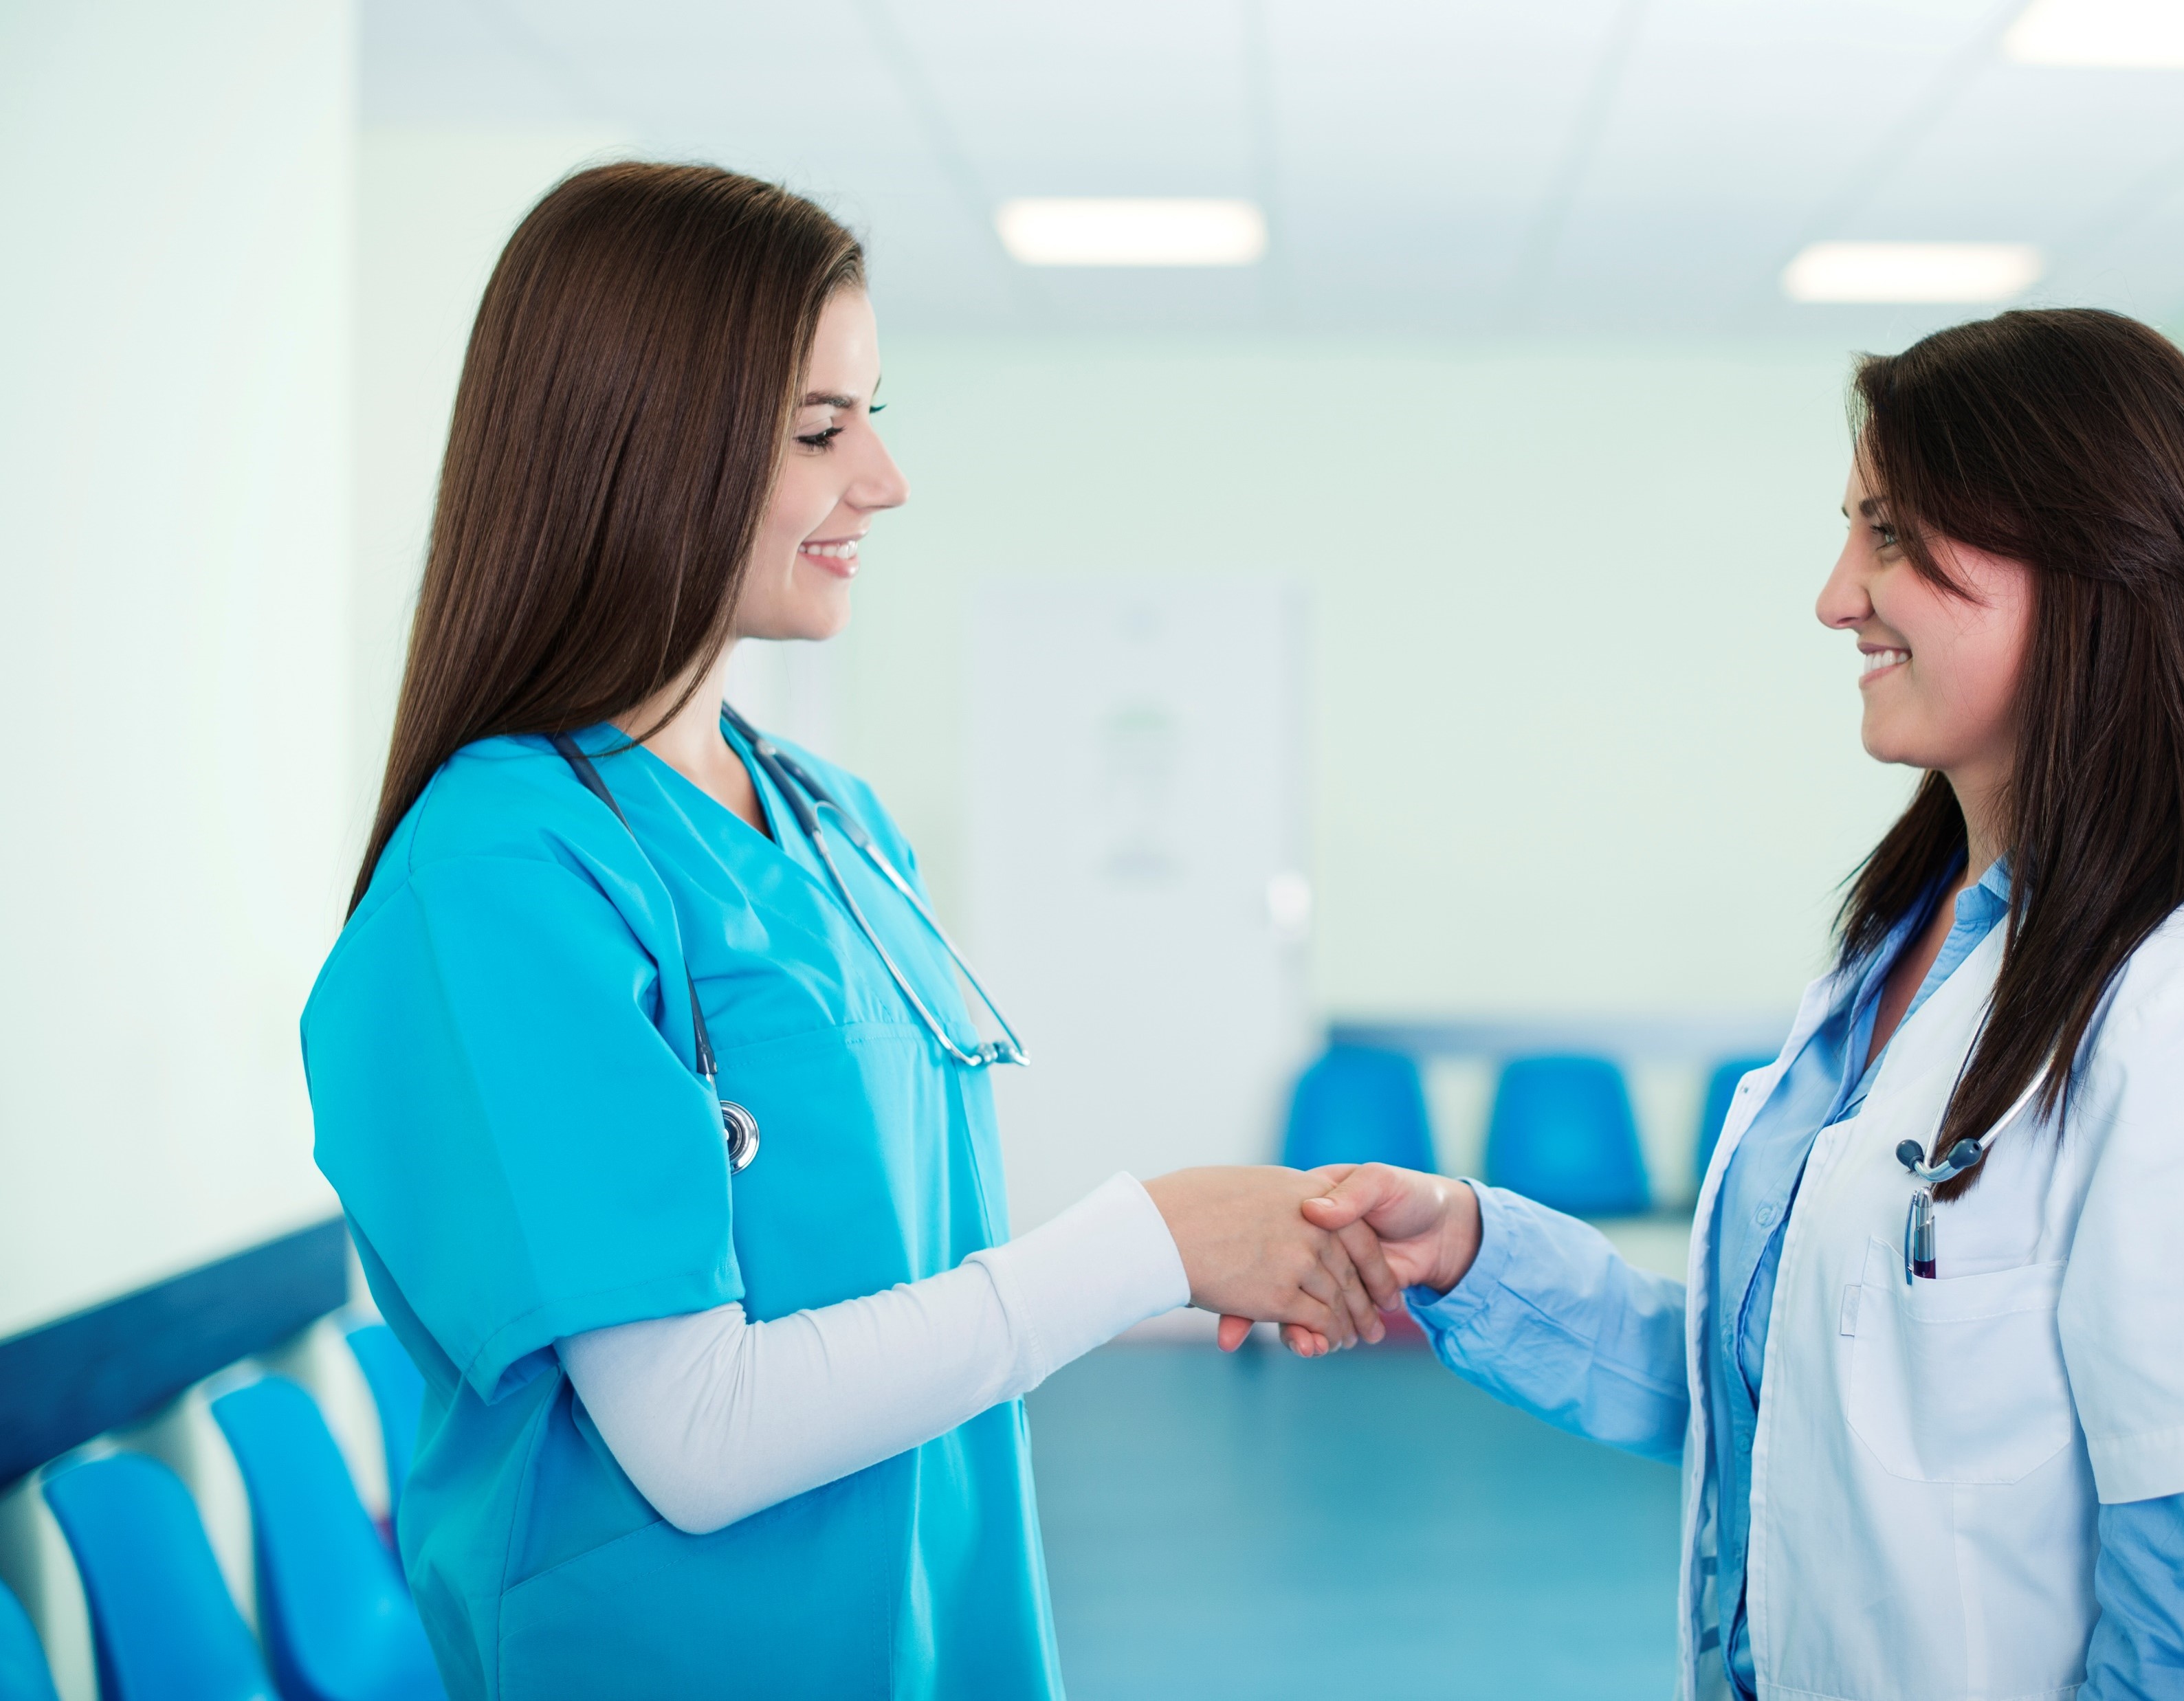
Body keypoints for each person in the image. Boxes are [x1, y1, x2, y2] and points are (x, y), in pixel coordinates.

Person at [300, 162, 1396, 1701]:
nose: (883, 479)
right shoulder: (499, 877)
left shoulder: (832, 821)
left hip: (940, 1634)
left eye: (870, 416)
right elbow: (695, 1434)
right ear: (647, 445)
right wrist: (1152, 1241)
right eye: (821, 430)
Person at [1307, 309, 2184, 1700]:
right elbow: (1782, 1390)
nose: (1833, 597)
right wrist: (1467, 1247)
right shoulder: (1903, 951)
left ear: (2089, 565)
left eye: (1890, 535)